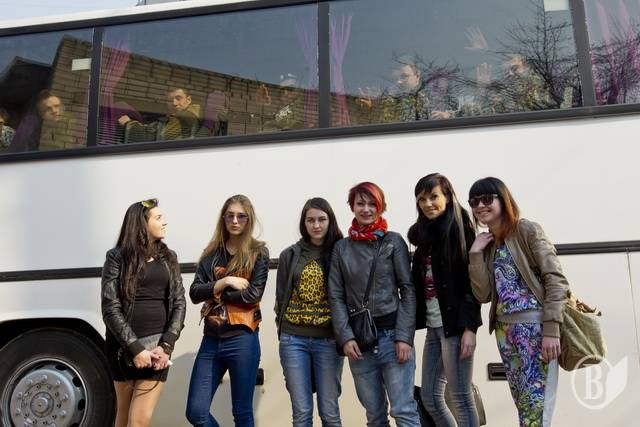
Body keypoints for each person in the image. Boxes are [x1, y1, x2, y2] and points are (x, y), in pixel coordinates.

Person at [467, 177, 568, 427]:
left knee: (536, 411)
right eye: (474, 202)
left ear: (503, 199)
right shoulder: (488, 243)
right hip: (505, 332)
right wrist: (475, 254)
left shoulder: (526, 230)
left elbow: (556, 280)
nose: (480, 206)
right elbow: (483, 295)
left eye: (487, 199)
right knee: (524, 406)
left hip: (535, 330)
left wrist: (551, 329)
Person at [328, 182, 420, 427]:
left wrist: (404, 337)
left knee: (403, 411)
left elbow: (408, 290)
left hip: (393, 338)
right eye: (360, 203)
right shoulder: (341, 248)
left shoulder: (393, 241)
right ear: (352, 206)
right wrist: (345, 337)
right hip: (360, 342)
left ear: (381, 207)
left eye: (372, 204)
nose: (366, 209)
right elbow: (336, 296)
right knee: (375, 416)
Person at [101, 198, 187, 427]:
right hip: (122, 348)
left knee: (139, 420)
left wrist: (166, 345)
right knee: (123, 416)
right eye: (158, 218)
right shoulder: (116, 257)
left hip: (157, 347)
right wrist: (135, 348)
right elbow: (110, 307)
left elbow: (179, 302)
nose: (165, 222)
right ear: (142, 223)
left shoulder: (169, 257)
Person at [186, 194, 269, 427]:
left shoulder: (258, 252)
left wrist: (215, 293)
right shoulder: (211, 254)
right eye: (230, 216)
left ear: (249, 219)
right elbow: (194, 293)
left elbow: (252, 295)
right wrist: (224, 282)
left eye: (241, 216)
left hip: (243, 338)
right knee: (196, 412)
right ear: (223, 218)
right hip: (211, 340)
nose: (235, 221)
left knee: (242, 413)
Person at [408, 173, 481, 427]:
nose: (428, 204)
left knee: (460, 397)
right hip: (433, 327)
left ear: (448, 196)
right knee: (429, 397)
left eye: (434, 197)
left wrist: (470, 328)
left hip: (455, 327)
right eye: (422, 199)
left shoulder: (459, 230)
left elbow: (472, 285)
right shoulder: (425, 238)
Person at [275, 197, 345, 427]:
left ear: (330, 221)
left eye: (321, 219)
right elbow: (281, 297)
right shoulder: (290, 254)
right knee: (302, 412)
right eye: (310, 220)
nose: (316, 225)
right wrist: (282, 329)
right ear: (303, 223)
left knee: (329, 412)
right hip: (293, 340)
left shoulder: (341, 251)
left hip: (328, 340)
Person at [380, 57, 457, 123]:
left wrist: (449, 116)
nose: (398, 81)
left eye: (404, 76)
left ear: (417, 76)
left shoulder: (434, 96)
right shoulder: (387, 100)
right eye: (395, 78)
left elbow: (462, 113)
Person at [119, 87, 202, 143]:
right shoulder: (171, 117)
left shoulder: (187, 117)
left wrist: (128, 123)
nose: (174, 103)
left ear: (188, 100)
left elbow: (153, 138)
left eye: (178, 98)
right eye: (170, 100)